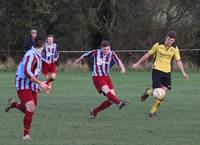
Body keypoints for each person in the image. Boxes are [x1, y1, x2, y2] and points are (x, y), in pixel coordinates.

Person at [132, 31, 189, 117]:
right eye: (169, 39)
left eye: (172, 40)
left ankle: (152, 111)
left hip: (167, 73)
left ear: (174, 41)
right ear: (166, 38)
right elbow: (147, 55)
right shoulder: (158, 45)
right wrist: (137, 63)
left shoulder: (175, 48)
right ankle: (148, 92)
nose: (170, 42)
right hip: (157, 71)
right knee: (157, 92)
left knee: (162, 94)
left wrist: (183, 73)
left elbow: (178, 61)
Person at [5, 35, 49, 140]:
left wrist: (37, 85)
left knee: (30, 109)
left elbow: (34, 72)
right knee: (30, 108)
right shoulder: (31, 54)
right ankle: (26, 135)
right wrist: (40, 83)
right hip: (22, 83)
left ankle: (14, 104)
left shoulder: (38, 55)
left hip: (31, 84)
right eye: (46, 43)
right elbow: (27, 71)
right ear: (43, 44)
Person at [76, 40, 130, 119]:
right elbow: (85, 55)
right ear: (101, 48)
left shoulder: (112, 54)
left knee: (111, 99)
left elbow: (118, 61)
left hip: (106, 77)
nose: (106, 51)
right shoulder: (96, 52)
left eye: (108, 49)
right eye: (104, 49)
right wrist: (78, 60)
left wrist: (122, 68)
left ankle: (94, 111)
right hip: (97, 76)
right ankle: (119, 103)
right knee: (106, 90)